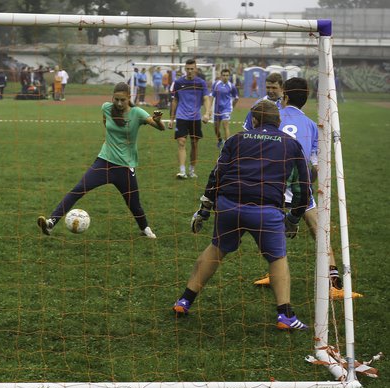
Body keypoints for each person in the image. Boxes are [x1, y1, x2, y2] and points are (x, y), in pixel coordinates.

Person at [173, 100, 312, 331]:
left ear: (254, 121)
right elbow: (302, 188)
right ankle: (285, 315)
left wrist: (204, 209)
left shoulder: (235, 139)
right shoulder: (292, 144)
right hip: (265, 210)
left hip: (229, 205)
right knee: (277, 259)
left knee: (216, 248)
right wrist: (294, 218)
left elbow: (217, 175)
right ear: (278, 122)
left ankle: (185, 300)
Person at [252, 78, 362, 299]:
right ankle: (334, 283)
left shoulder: (272, 117)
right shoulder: (313, 126)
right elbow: (315, 166)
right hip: (298, 188)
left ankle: (275, 272)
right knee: (318, 230)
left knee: (271, 230)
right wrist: (304, 185)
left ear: (286, 96)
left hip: (268, 186)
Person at [37, 82, 166, 238]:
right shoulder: (106, 107)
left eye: (122, 100)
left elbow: (160, 128)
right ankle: (51, 222)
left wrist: (158, 120)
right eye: (116, 99)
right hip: (103, 162)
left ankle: (145, 228)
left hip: (124, 167)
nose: (119, 103)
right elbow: (106, 122)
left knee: (134, 204)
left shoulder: (137, 113)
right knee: (78, 189)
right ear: (112, 98)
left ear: (128, 98)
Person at [168, 59, 212, 179]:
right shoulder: (178, 82)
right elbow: (175, 100)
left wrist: (207, 113)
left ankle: (192, 170)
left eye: (192, 69)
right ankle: (182, 171)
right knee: (181, 142)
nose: (190, 71)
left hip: (195, 118)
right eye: (187, 69)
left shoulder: (201, 83)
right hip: (181, 117)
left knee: (194, 144)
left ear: (196, 69)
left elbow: (206, 98)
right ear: (185, 69)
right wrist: (171, 119)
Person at [210, 68, 239, 149]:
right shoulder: (216, 84)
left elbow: (236, 98)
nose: (225, 77)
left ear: (229, 76)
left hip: (226, 108)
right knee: (216, 128)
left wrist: (232, 107)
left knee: (225, 124)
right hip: (216, 109)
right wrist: (209, 109)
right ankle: (220, 140)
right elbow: (212, 96)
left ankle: (227, 146)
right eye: (224, 75)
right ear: (220, 76)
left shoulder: (231, 86)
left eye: (227, 75)